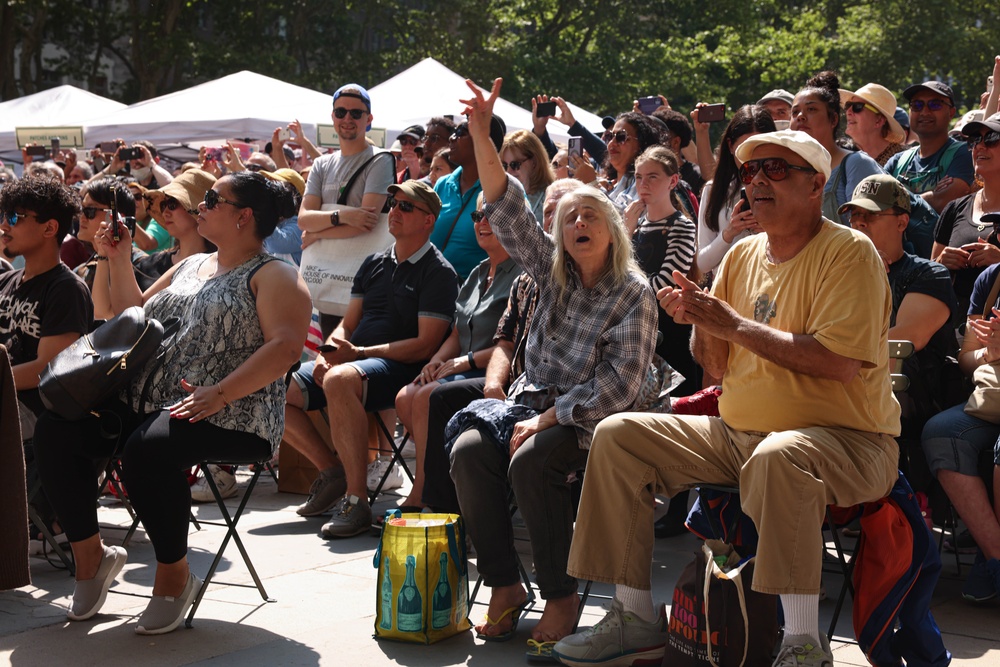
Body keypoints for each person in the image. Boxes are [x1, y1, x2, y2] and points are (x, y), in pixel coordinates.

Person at [553, 130, 900, 667]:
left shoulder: (849, 252)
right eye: (750, 171)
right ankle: (635, 618)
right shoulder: (741, 255)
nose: (757, 180)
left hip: (848, 443)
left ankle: (802, 645)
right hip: (742, 435)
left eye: (776, 170)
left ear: (816, 186)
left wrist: (733, 323)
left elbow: (837, 364)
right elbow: (715, 366)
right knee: (619, 435)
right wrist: (699, 318)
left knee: (780, 456)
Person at [30, 171, 310, 634]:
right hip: (149, 400)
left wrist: (219, 393)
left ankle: (174, 578)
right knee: (57, 429)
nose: (201, 204)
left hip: (234, 412)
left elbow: (285, 348)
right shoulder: (189, 266)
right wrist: (116, 258)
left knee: (148, 448)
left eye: (213, 199)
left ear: (244, 216)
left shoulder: (275, 274)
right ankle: (90, 560)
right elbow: (132, 315)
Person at [449, 78, 657, 655]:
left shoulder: (633, 292)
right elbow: (506, 204)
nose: (579, 224)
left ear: (612, 231)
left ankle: (561, 592)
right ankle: (504, 584)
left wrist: (547, 420)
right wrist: (480, 134)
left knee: (532, 461)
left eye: (591, 216)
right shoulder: (549, 271)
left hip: (597, 419)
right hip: (531, 402)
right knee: (468, 449)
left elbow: (619, 387)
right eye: (569, 219)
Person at [283, 180, 459, 534]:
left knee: (339, 378)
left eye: (406, 207)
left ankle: (356, 499)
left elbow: (425, 345)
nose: (394, 211)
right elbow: (347, 325)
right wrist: (325, 353)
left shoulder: (439, 272)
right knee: (274, 384)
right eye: (393, 203)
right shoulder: (374, 262)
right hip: (357, 362)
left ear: (429, 220)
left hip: (400, 369)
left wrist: (355, 355)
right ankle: (330, 472)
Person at [392, 192, 521, 510]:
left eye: (491, 215)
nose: (483, 223)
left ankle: (425, 494)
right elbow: (456, 330)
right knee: (406, 395)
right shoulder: (478, 272)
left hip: (497, 370)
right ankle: (450, 481)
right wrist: (436, 361)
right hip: (462, 366)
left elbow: (516, 342)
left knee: (425, 397)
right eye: (478, 217)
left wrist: (463, 362)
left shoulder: (522, 273)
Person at [840, 174, 956, 490]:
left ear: (902, 222)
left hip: (910, 400)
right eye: (855, 214)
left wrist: (872, 278)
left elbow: (905, 341)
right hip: (844, 392)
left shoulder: (928, 273)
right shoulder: (835, 275)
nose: (859, 222)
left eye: (871, 214)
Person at [0, 177, 93, 546]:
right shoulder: (7, 282)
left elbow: (47, 370)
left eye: (14, 216)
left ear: (49, 227)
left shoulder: (65, 289)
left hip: (35, 413)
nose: (3, 224)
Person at [921, 232, 1000, 603]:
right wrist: (988, 353)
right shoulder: (991, 280)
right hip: (991, 397)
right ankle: (996, 557)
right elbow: (966, 361)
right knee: (941, 432)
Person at [297, 83, 396, 335]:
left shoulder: (381, 160)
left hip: (362, 285)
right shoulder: (321, 164)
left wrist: (318, 232)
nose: (347, 118)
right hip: (326, 280)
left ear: (369, 119)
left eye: (356, 113)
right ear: (333, 117)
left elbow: (365, 223)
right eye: (341, 112)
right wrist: (343, 215)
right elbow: (304, 220)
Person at [695, 105, 776, 283]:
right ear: (731, 147)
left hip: (770, 287)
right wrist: (729, 232)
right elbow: (703, 263)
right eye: (744, 148)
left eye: (759, 147)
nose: (750, 157)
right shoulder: (714, 190)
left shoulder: (783, 186)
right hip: (726, 291)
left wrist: (773, 230)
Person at [931, 112, 1000, 318]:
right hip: (954, 333)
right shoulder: (955, 208)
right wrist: (940, 263)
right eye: (975, 139)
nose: (980, 146)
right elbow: (928, 275)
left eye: (992, 138)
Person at [791, 71, 884, 224]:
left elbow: (873, 231)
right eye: (795, 112)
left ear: (833, 119)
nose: (800, 116)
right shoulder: (786, 170)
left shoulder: (857, 164)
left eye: (811, 109)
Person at [432, 114, 506, 280]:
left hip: (476, 296)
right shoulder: (442, 184)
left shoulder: (502, 190)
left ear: (482, 142)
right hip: (431, 289)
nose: (451, 138)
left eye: (461, 132)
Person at [885, 81, 975, 214]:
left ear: (951, 113)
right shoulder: (897, 161)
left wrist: (895, 202)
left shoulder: (964, 153)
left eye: (935, 104)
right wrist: (932, 194)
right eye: (917, 105)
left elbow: (943, 201)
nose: (925, 111)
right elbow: (877, 201)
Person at [603, 111, 662, 211]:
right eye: (609, 137)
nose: (612, 143)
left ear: (641, 144)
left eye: (621, 137)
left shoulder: (644, 183)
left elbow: (620, 219)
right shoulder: (605, 184)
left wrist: (593, 187)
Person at [841, 83, 908, 167]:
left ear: (879, 120)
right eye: (848, 105)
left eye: (857, 107)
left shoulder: (903, 163)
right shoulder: (840, 153)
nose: (848, 112)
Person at [500, 129, 555, 223]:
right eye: (504, 165)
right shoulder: (500, 199)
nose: (508, 171)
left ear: (534, 162)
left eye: (515, 164)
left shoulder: (552, 199)